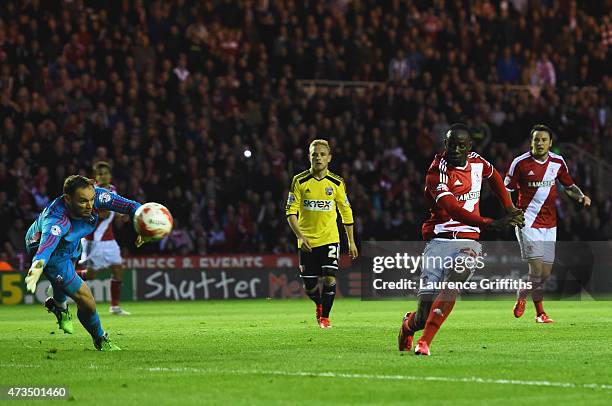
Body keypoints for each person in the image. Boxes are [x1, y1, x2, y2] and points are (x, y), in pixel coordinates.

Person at [398, 123, 524, 356]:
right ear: (445, 145)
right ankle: (408, 326)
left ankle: (425, 343)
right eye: (451, 145)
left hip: (468, 241)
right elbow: (453, 209)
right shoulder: (436, 172)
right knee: (423, 316)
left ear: (469, 147)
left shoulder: (477, 161)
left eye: (461, 146)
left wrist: (510, 207)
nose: (455, 149)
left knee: (456, 279)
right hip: (439, 241)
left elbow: (494, 176)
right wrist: (490, 223)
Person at [24, 175, 153, 351]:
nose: (90, 205)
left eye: (92, 199)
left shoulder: (97, 197)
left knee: (65, 278)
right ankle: (100, 339)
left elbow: (131, 206)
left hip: (71, 242)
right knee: (87, 301)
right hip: (51, 253)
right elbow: (46, 247)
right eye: (83, 201)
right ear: (68, 199)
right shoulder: (56, 220)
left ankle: (59, 306)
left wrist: (142, 225)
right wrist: (37, 266)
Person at [505, 124, 591, 323]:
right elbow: (506, 189)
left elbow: (569, 186)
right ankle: (540, 313)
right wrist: (511, 213)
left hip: (550, 225)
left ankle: (523, 292)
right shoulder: (520, 163)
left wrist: (581, 196)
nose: (540, 143)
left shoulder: (558, 162)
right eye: (537, 139)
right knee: (535, 270)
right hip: (527, 222)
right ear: (531, 142)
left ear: (550, 143)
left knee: (544, 274)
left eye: (544, 140)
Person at [286, 139, 358, 329]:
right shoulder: (299, 181)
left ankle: (325, 317)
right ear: (309, 157)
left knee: (329, 277)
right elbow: (290, 212)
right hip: (307, 240)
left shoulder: (336, 183)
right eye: (314, 154)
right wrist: (301, 236)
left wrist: (351, 241)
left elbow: (346, 212)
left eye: (322, 154)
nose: (318, 157)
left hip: (330, 238)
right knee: (309, 286)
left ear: (329, 158)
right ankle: (318, 303)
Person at [79, 161, 131, 315]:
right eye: (100, 174)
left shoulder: (113, 190)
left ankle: (115, 307)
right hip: (92, 240)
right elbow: (89, 214)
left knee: (118, 269)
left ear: (110, 175)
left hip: (109, 240)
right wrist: (101, 215)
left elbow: (116, 211)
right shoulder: (92, 192)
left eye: (106, 173)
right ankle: (60, 281)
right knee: (91, 274)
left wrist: (122, 215)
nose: (104, 176)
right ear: (95, 177)